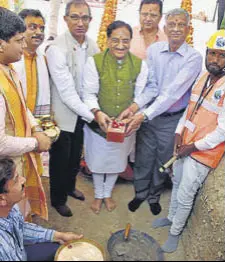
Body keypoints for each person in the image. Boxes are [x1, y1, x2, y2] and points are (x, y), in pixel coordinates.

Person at [119, 8, 203, 216]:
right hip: (149, 115)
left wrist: (143, 116)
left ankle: (154, 196)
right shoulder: (155, 50)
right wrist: (135, 108)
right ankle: (140, 193)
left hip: (171, 119)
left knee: (162, 159)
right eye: (171, 24)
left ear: (187, 29)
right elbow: (152, 87)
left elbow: (172, 93)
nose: (175, 29)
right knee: (143, 157)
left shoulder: (193, 58)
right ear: (164, 28)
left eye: (180, 25)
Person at [152, 30, 225, 253]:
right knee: (176, 184)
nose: (216, 60)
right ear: (206, 53)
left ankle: (174, 234)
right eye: (212, 53)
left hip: (202, 153)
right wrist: (177, 134)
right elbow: (189, 111)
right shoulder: (203, 77)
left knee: (186, 194)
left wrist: (192, 147)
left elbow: (222, 132)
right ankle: (171, 218)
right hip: (184, 145)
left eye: (222, 55)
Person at [83, 21, 152, 214]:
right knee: (98, 161)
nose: (120, 45)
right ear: (107, 40)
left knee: (116, 161)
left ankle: (107, 194)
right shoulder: (94, 62)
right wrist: (97, 112)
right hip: (98, 124)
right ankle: (98, 194)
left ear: (131, 41)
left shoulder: (140, 65)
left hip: (124, 127)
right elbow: (88, 94)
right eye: (115, 40)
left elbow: (140, 96)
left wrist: (131, 113)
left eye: (125, 40)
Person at [46, 0, 99, 217]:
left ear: (90, 20)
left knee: (76, 154)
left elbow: (97, 77)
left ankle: (69, 187)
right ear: (65, 19)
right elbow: (66, 93)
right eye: (75, 17)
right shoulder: (56, 48)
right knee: (60, 158)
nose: (80, 22)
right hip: (63, 114)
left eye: (84, 17)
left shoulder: (91, 45)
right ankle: (58, 198)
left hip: (83, 112)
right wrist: (95, 116)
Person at [0, 7, 51, 219]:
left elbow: (22, 104)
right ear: (1, 44)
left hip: (18, 158)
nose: (24, 45)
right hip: (6, 167)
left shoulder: (8, 68)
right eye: (19, 40)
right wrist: (36, 143)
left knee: (21, 209)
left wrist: (37, 128)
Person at [0, 158, 83, 261]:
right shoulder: (2, 246)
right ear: (2, 198)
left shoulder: (9, 208)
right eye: (16, 180)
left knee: (59, 248)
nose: (23, 180)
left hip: (21, 253)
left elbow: (20, 227)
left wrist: (58, 236)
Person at [14, 9, 51, 119]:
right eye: (33, 27)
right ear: (19, 30)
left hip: (36, 122)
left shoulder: (43, 60)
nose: (39, 32)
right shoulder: (9, 60)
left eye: (42, 28)